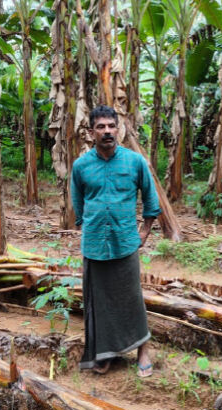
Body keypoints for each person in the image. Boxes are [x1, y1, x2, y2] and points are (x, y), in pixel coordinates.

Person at [71, 105, 160, 377]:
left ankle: (143, 350)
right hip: (95, 243)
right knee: (98, 301)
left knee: (131, 297)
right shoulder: (81, 166)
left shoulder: (134, 162)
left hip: (124, 240)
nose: (107, 131)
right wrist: (89, 227)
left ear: (118, 129)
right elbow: (78, 205)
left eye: (111, 126)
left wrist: (144, 231)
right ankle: (105, 354)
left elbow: (150, 198)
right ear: (91, 132)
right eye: (101, 127)